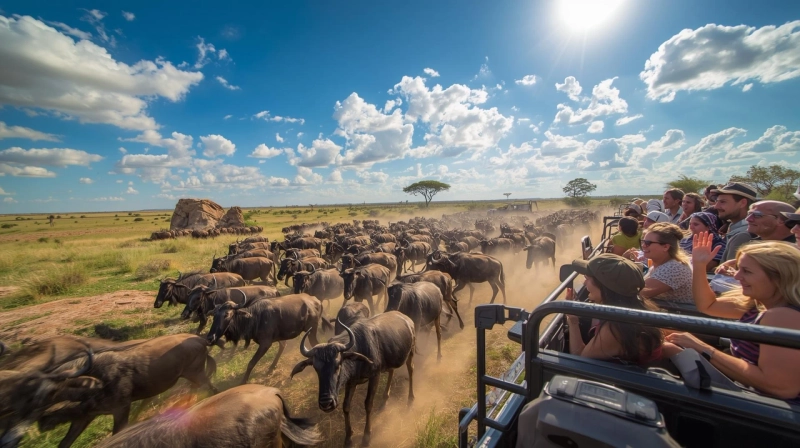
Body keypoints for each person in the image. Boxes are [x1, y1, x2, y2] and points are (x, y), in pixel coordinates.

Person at [666, 236, 800, 404]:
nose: (737, 276)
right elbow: (708, 305)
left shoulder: (784, 316)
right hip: (750, 392)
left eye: (747, 271)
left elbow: (781, 388)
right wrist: (699, 265)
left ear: (779, 277)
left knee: (665, 350)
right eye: (738, 269)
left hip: (767, 409)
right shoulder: (757, 303)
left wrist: (702, 347)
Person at [565, 254, 663, 365]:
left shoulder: (616, 328)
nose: (584, 283)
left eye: (587, 279)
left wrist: (572, 319)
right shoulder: (637, 307)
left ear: (604, 287)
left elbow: (579, 358)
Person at [639, 223, 693, 303]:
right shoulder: (662, 263)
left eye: (648, 242)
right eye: (643, 241)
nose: (643, 245)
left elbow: (637, 293)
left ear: (665, 247)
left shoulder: (674, 268)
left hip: (680, 313)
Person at [714, 182, 758, 262]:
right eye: (716, 201)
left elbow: (731, 271)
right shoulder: (735, 227)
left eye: (723, 202)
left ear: (742, 203)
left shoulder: (747, 233)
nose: (716, 206)